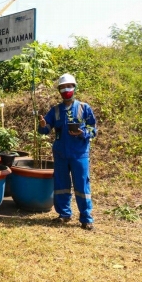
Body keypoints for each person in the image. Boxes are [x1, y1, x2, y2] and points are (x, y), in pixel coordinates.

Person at [38, 73, 97, 230]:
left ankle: (86, 218)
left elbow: (93, 129)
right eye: (63, 87)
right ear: (59, 90)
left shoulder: (85, 108)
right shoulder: (55, 110)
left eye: (69, 86)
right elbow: (45, 130)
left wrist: (82, 133)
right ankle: (64, 214)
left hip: (79, 154)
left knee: (82, 185)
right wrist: (43, 124)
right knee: (61, 185)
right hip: (61, 153)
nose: (66, 89)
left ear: (75, 87)